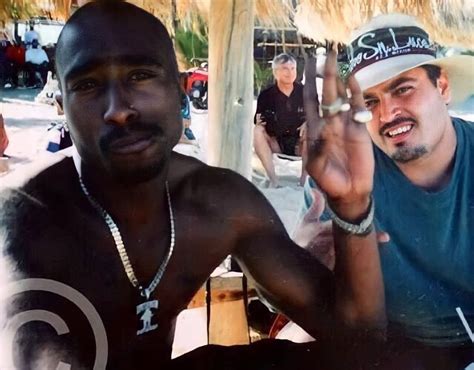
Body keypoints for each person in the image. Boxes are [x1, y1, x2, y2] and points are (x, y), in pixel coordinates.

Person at [0, 2, 386, 369]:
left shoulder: (217, 203)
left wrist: (352, 207)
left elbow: (358, 341)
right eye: (87, 85)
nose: (118, 109)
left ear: (180, 91)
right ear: (62, 105)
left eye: (140, 75)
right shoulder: (26, 217)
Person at [297, 13, 474, 368]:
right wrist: (303, 264)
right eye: (370, 102)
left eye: (403, 89)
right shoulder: (345, 175)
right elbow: (336, 313)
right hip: (391, 350)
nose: (388, 113)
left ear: (442, 88)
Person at [253, 53, 308, 187]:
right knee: (258, 131)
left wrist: (308, 123)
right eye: (285, 69)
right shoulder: (266, 95)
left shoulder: (305, 92)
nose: (290, 73)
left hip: (299, 143)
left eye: (292, 68)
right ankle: (274, 180)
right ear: (276, 72)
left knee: (313, 129)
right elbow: (258, 118)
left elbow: (317, 115)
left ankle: (303, 181)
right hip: (276, 141)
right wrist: (259, 121)